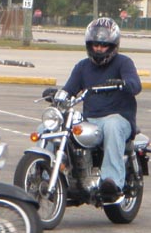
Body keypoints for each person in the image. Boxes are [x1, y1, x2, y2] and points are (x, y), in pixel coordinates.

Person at [59, 18, 142, 203]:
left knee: (112, 125)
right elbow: (69, 89)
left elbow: (136, 85)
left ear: (113, 46)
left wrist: (124, 83)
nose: (98, 49)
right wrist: (59, 95)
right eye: (95, 45)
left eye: (103, 45)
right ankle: (48, 174)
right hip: (90, 121)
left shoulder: (124, 63)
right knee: (54, 127)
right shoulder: (82, 66)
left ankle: (112, 182)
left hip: (118, 118)